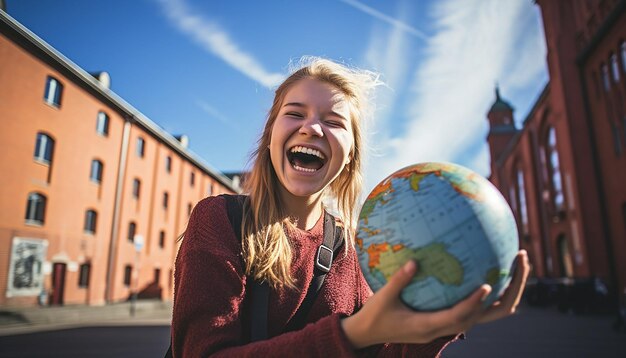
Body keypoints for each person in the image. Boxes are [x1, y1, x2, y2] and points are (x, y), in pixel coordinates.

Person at [171, 57, 530, 357]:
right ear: (270, 138)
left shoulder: (352, 248)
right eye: (295, 114)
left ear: (350, 155)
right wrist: (352, 333)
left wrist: (440, 325)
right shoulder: (220, 219)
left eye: (333, 121)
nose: (312, 128)